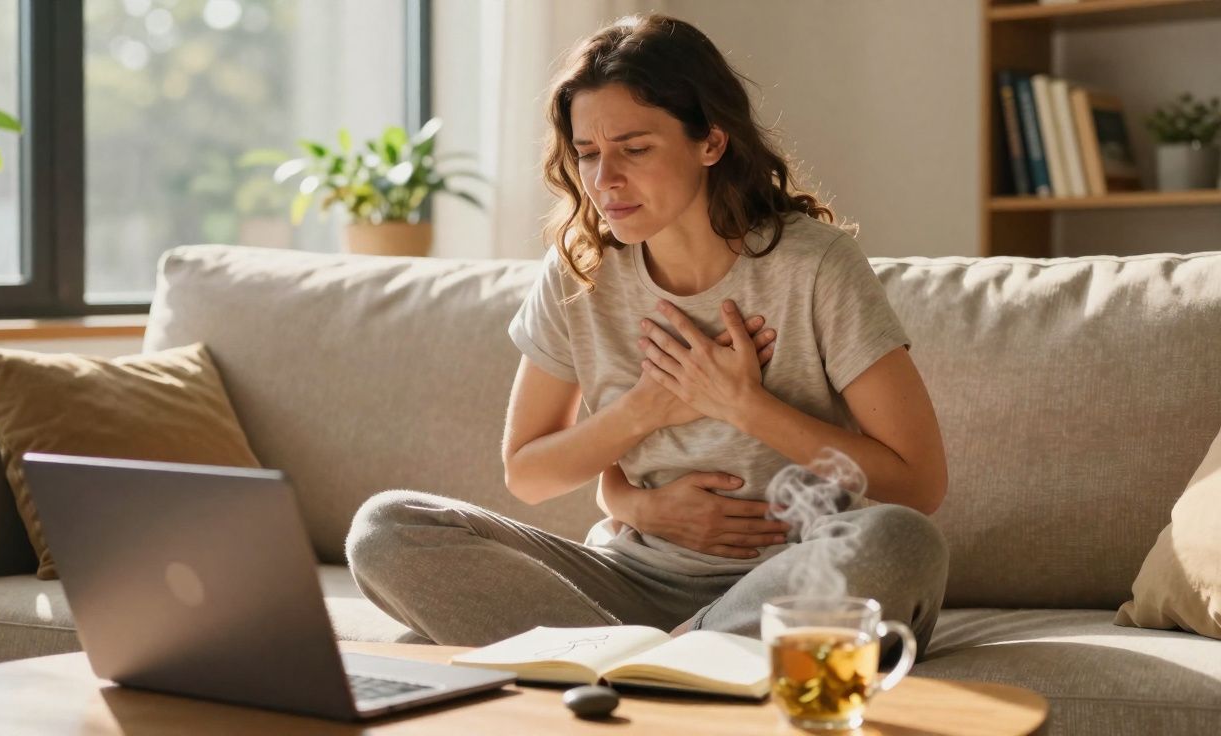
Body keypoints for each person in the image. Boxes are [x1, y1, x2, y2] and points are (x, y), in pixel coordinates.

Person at [346, 13, 949, 654]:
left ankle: (636, 660)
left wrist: (743, 405)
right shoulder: (582, 269)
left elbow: (918, 483)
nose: (604, 180)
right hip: (627, 578)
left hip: (794, 577)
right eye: (586, 154)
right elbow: (528, 473)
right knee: (386, 528)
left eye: (634, 150)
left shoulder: (815, 266)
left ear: (710, 142)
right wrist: (645, 423)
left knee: (898, 544)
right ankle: (666, 661)